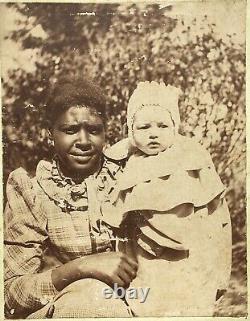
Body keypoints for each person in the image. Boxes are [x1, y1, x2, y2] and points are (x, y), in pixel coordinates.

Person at [4, 76, 138, 319]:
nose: (84, 141)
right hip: (68, 307)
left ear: (107, 132)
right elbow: (11, 294)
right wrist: (82, 267)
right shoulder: (33, 190)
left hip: (138, 301)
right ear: (50, 134)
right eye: (70, 130)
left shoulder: (130, 176)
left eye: (94, 130)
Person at [102, 81, 232, 316]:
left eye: (163, 126)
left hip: (190, 249)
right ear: (130, 131)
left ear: (175, 127)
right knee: (149, 300)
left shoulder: (191, 156)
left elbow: (214, 210)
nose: (153, 133)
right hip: (145, 252)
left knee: (189, 299)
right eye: (143, 127)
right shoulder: (129, 162)